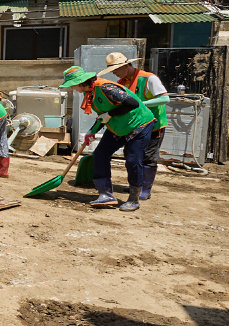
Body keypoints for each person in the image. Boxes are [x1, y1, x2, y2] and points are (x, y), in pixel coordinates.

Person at [61, 66, 155, 212]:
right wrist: (91, 131)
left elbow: (132, 103)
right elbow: (103, 115)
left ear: (81, 82)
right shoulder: (90, 93)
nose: (72, 88)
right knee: (100, 154)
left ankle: (134, 199)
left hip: (139, 124)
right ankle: (105, 194)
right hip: (118, 126)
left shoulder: (106, 88)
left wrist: (110, 114)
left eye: (72, 85)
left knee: (132, 160)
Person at [100, 52, 169, 200]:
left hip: (154, 123)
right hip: (135, 126)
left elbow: (165, 98)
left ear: (126, 65)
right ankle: (137, 184)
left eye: (116, 69)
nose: (114, 72)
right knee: (132, 155)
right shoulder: (122, 82)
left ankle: (145, 188)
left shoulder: (149, 78)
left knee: (149, 156)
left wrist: (141, 105)